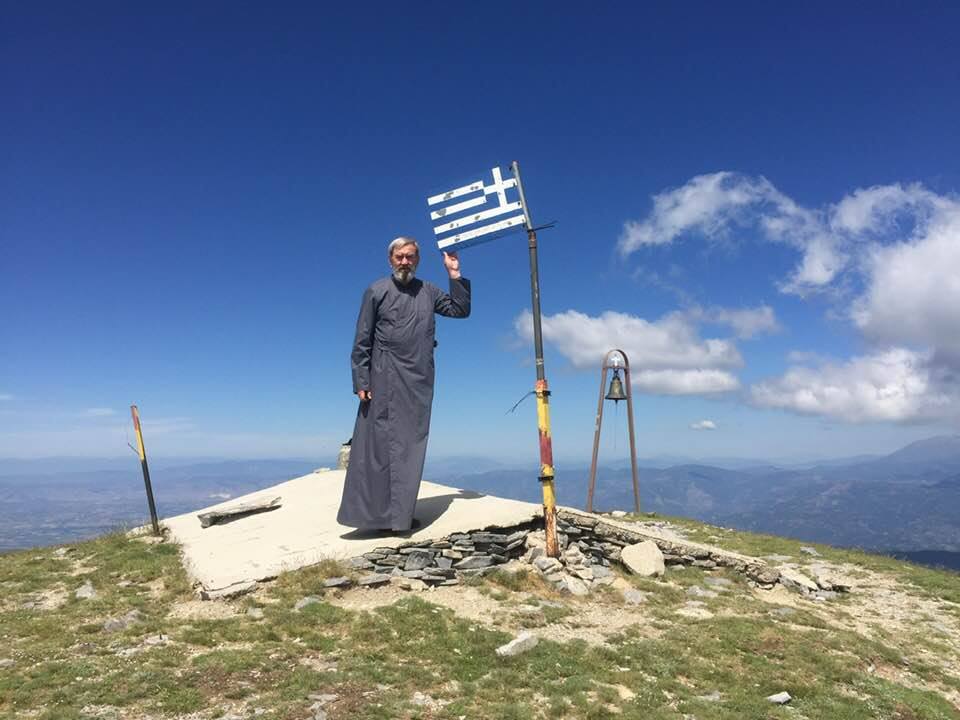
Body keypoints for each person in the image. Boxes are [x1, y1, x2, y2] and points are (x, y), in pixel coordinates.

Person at [336, 237, 471, 532]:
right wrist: (361, 377)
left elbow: (460, 310)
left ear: (418, 260)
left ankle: (400, 516)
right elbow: (362, 338)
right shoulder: (376, 290)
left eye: (410, 257)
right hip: (383, 377)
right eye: (400, 256)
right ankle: (373, 518)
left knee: (410, 447)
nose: (405, 262)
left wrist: (454, 274)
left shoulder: (429, 291)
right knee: (377, 447)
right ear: (390, 259)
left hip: (419, 380)